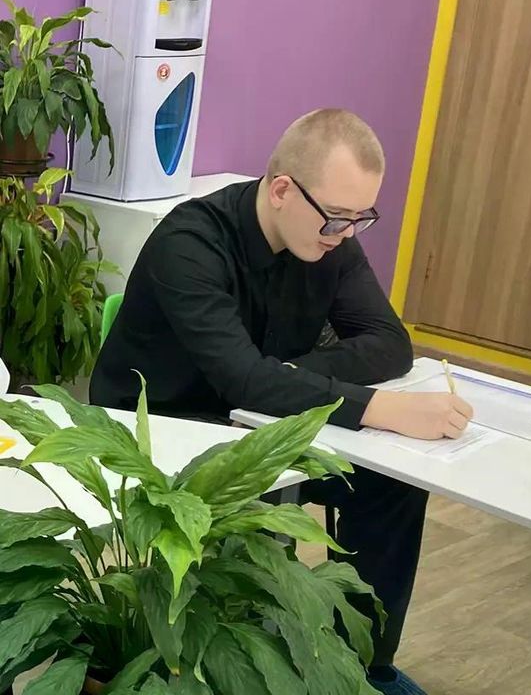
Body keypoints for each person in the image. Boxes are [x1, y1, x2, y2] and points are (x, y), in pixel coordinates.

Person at [90, 108, 473, 695]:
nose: (346, 234)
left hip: (262, 418)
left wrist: (289, 375)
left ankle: (362, 668)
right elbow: (241, 381)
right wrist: (377, 407)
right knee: (264, 503)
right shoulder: (190, 242)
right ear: (282, 191)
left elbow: (389, 342)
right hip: (167, 425)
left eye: (361, 219)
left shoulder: (329, 237)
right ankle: (241, 668)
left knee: (392, 483)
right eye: (337, 218)